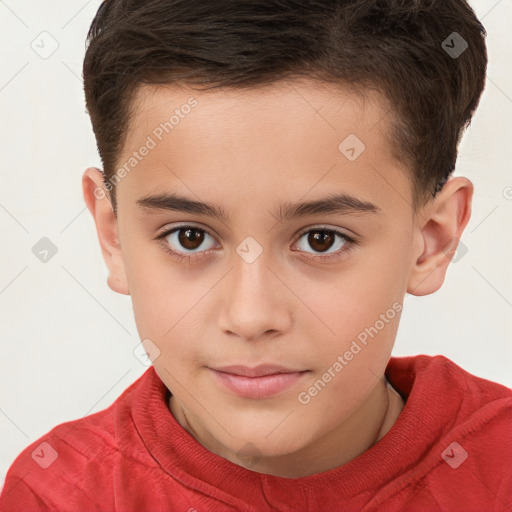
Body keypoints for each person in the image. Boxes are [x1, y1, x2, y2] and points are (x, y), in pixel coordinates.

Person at [1, 0, 510, 510]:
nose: (250, 317)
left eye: (321, 240)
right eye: (190, 237)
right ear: (113, 236)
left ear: (432, 240)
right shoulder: (58, 495)